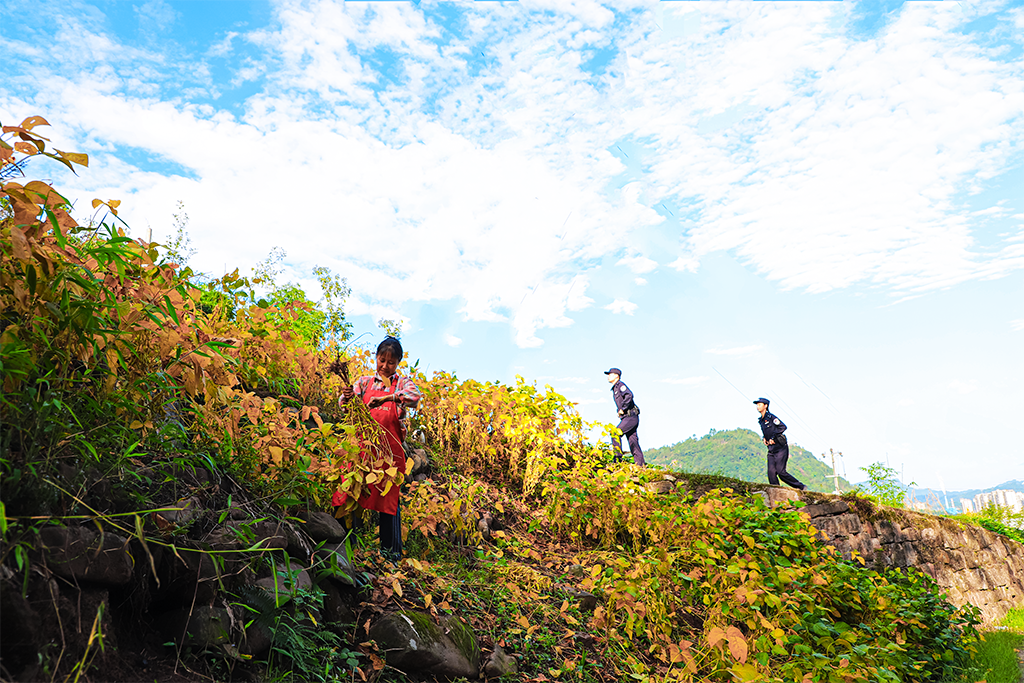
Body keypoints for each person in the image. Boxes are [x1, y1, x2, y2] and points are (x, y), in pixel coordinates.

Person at [338, 337, 422, 559]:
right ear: (376, 358)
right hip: (362, 449)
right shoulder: (364, 382)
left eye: (391, 362)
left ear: (398, 364)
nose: (385, 366)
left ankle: (390, 557)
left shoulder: (402, 384)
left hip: (389, 454)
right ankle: (347, 548)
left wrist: (388, 398)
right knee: (350, 493)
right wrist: (347, 398)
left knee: (389, 501)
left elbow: (415, 398)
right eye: (382, 360)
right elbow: (344, 406)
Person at [754, 397, 806, 491]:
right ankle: (777, 490)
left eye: (759, 404)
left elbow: (782, 427)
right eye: (757, 405)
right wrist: (765, 438)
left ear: (765, 406)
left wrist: (773, 438)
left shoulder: (771, 417)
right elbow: (767, 431)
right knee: (771, 472)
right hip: (771, 449)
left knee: (781, 472)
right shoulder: (761, 420)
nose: (758, 406)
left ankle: (801, 486)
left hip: (780, 448)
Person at [605, 367, 645, 466]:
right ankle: (641, 465)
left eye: (610, 374)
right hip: (628, 417)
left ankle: (617, 461)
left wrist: (622, 408)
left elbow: (629, 395)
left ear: (616, 376)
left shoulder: (620, 385)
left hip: (630, 417)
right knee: (633, 442)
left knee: (615, 433)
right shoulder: (615, 388)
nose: (608, 376)